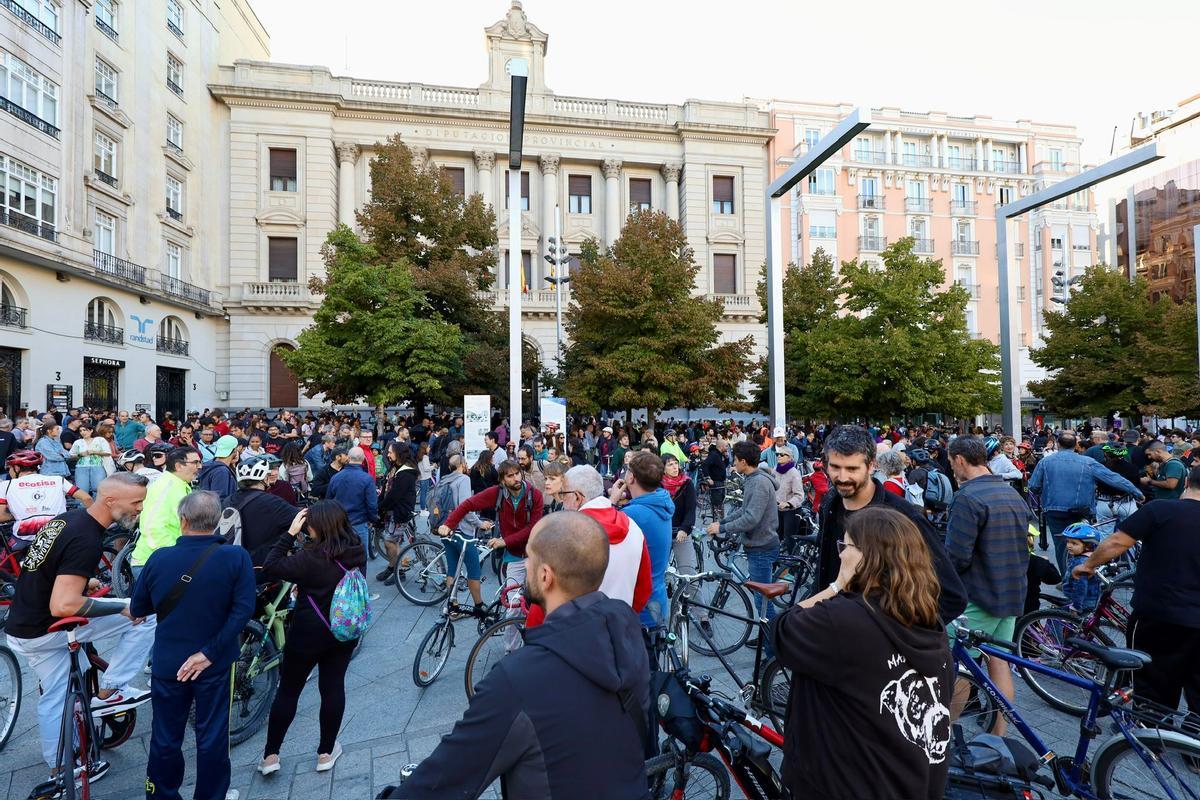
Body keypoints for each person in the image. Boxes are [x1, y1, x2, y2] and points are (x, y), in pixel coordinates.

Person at [394, 511, 650, 800]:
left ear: (545, 576)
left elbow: (445, 779)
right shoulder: (628, 634)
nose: (525, 564)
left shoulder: (515, 680)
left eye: (530, 557)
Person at [770, 506, 953, 800]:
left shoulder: (842, 621)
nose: (841, 555)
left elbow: (781, 629)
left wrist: (837, 585)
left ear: (869, 557)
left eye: (846, 546)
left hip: (842, 785)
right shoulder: (928, 617)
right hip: (910, 781)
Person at [5, 473, 155, 794]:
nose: (140, 508)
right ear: (110, 501)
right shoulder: (88, 539)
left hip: (22, 624)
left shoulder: (68, 519)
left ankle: (62, 770)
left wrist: (83, 580)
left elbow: (48, 567)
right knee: (144, 612)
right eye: (136, 502)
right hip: (48, 627)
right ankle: (112, 689)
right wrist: (120, 609)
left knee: (56, 696)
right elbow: (64, 604)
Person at [130, 490, 255, 800]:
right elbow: (243, 611)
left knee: (165, 736)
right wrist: (208, 653)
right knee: (212, 735)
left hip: (169, 662)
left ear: (182, 520)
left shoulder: (158, 558)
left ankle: (162, 795)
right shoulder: (236, 557)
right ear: (217, 521)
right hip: (215, 662)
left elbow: (138, 607)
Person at [1073, 466, 1200, 711]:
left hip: (1159, 614)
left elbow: (1117, 542)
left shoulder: (1160, 510)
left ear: (1186, 483)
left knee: (1153, 683)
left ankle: (1153, 730)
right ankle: (1190, 733)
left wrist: (1087, 565)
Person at [816, 426, 967, 626]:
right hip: (832, 629)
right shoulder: (831, 502)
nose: (842, 477)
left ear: (872, 465)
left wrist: (901, 635)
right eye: (835, 467)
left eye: (852, 469)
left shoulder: (903, 516)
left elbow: (952, 596)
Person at [258, 502, 366, 777]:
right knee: (332, 688)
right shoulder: (356, 549)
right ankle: (325, 753)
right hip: (342, 631)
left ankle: (271, 756)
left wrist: (290, 533)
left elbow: (271, 566)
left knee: (289, 691)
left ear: (318, 526)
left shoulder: (309, 558)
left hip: (306, 633)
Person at [945, 436, 1030, 735]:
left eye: (951, 462)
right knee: (999, 663)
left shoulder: (968, 497)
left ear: (959, 460)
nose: (951, 468)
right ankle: (998, 736)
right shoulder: (1010, 492)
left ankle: (940, 735)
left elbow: (956, 556)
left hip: (978, 596)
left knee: (959, 666)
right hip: (1010, 591)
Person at [442, 459, 543, 624]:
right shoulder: (498, 493)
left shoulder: (534, 495)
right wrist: (448, 524)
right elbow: (467, 504)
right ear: (502, 480)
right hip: (515, 556)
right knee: (513, 608)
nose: (516, 478)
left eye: (517, 474)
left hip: (536, 555)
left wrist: (505, 541)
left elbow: (533, 528)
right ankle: (510, 641)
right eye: (510, 476)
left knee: (539, 605)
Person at [1028, 431, 1144, 572]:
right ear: (1076, 445)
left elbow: (1033, 486)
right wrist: (1136, 492)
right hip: (1080, 509)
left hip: (1055, 509)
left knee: (1061, 545)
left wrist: (1046, 493)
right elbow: (1113, 478)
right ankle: (1085, 572)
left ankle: (1067, 577)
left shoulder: (1045, 462)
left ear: (1058, 444)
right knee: (1084, 542)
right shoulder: (1087, 462)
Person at [706, 441, 781, 641]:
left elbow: (751, 518)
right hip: (758, 545)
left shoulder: (759, 482)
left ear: (744, 462)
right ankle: (766, 638)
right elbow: (743, 510)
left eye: (735, 460)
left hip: (762, 547)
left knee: (762, 602)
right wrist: (722, 522)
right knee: (761, 600)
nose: (733, 463)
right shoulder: (752, 479)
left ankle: (774, 648)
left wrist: (722, 528)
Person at [612, 450, 674, 628]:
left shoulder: (633, 514)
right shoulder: (661, 501)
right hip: (657, 598)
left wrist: (612, 501)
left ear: (631, 478)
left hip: (639, 606)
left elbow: (604, 537)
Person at [130, 447, 200, 579]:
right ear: (179, 466)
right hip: (155, 562)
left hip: (168, 559)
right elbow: (152, 527)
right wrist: (176, 556)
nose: (199, 466)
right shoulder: (165, 487)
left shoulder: (180, 484)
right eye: (195, 462)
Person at [433, 454, 487, 615]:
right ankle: (479, 606)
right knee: (474, 569)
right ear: (462, 464)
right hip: (462, 531)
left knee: (452, 569)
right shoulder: (463, 479)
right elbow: (466, 508)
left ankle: (453, 606)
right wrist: (479, 523)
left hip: (446, 529)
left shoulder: (444, 479)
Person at [1, 450, 93, 543]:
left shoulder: (6, 485)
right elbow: (87, 498)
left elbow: (1, 516)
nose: (9, 472)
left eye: (9, 469)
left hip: (25, 538)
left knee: (7, 551)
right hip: (60, 535)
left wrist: (17, 514)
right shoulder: (58, 480)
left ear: (16, 468)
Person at [227, 456, 303, 566]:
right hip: (263, 565)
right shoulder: (271, 502)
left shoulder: (228, 500)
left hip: (233, 563)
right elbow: (302, 519)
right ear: (264, 478)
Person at [376, 440, 418, 584]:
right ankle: (392, 567)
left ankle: (399, 572)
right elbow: (386, 489)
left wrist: (380, 506)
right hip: (392, 511)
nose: (387, 455)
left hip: (399, 512)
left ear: (398, 453)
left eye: (390, 452)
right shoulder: (396, 467)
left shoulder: (406, 472)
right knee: (393, 542)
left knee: (389, 542)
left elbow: (394, 495)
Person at [326, 447, 378, 553]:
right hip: (359, 522)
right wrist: (372, 519)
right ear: (363, 459)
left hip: (339, 523)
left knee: (341, 555)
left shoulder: (336, 477)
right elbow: (372, 504)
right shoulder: (367, 479)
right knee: (360, 556)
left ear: (348, 458)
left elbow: (329, 501)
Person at [1059, 523, 1102, 612]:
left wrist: (1076, 606)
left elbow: (1081, 586)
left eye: (1074, 543)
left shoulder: (1081, 563)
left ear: (1088, 546)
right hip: (1090, 599)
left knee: (1055, 617)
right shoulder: (1090, 558)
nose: (1069, 545)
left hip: (1082, 602)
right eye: (1068, 541)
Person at [69, 422, 112, 496]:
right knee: (81, 490)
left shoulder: (100, 440)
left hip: (97, 466)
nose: (82, 432)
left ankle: (98, 503)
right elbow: (70, 456)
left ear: (91, 430)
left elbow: (108, 452)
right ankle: (82, 503)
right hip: (81, 467)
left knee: (98, 489)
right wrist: (80, 455)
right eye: (80, 431)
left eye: (84, 430)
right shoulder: (78, 442)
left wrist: (94, 452)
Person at [196, 434, 241, 502]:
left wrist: (232, 465)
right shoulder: (221, 471)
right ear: (235, 450)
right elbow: (219, 499)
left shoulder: (208, 465)